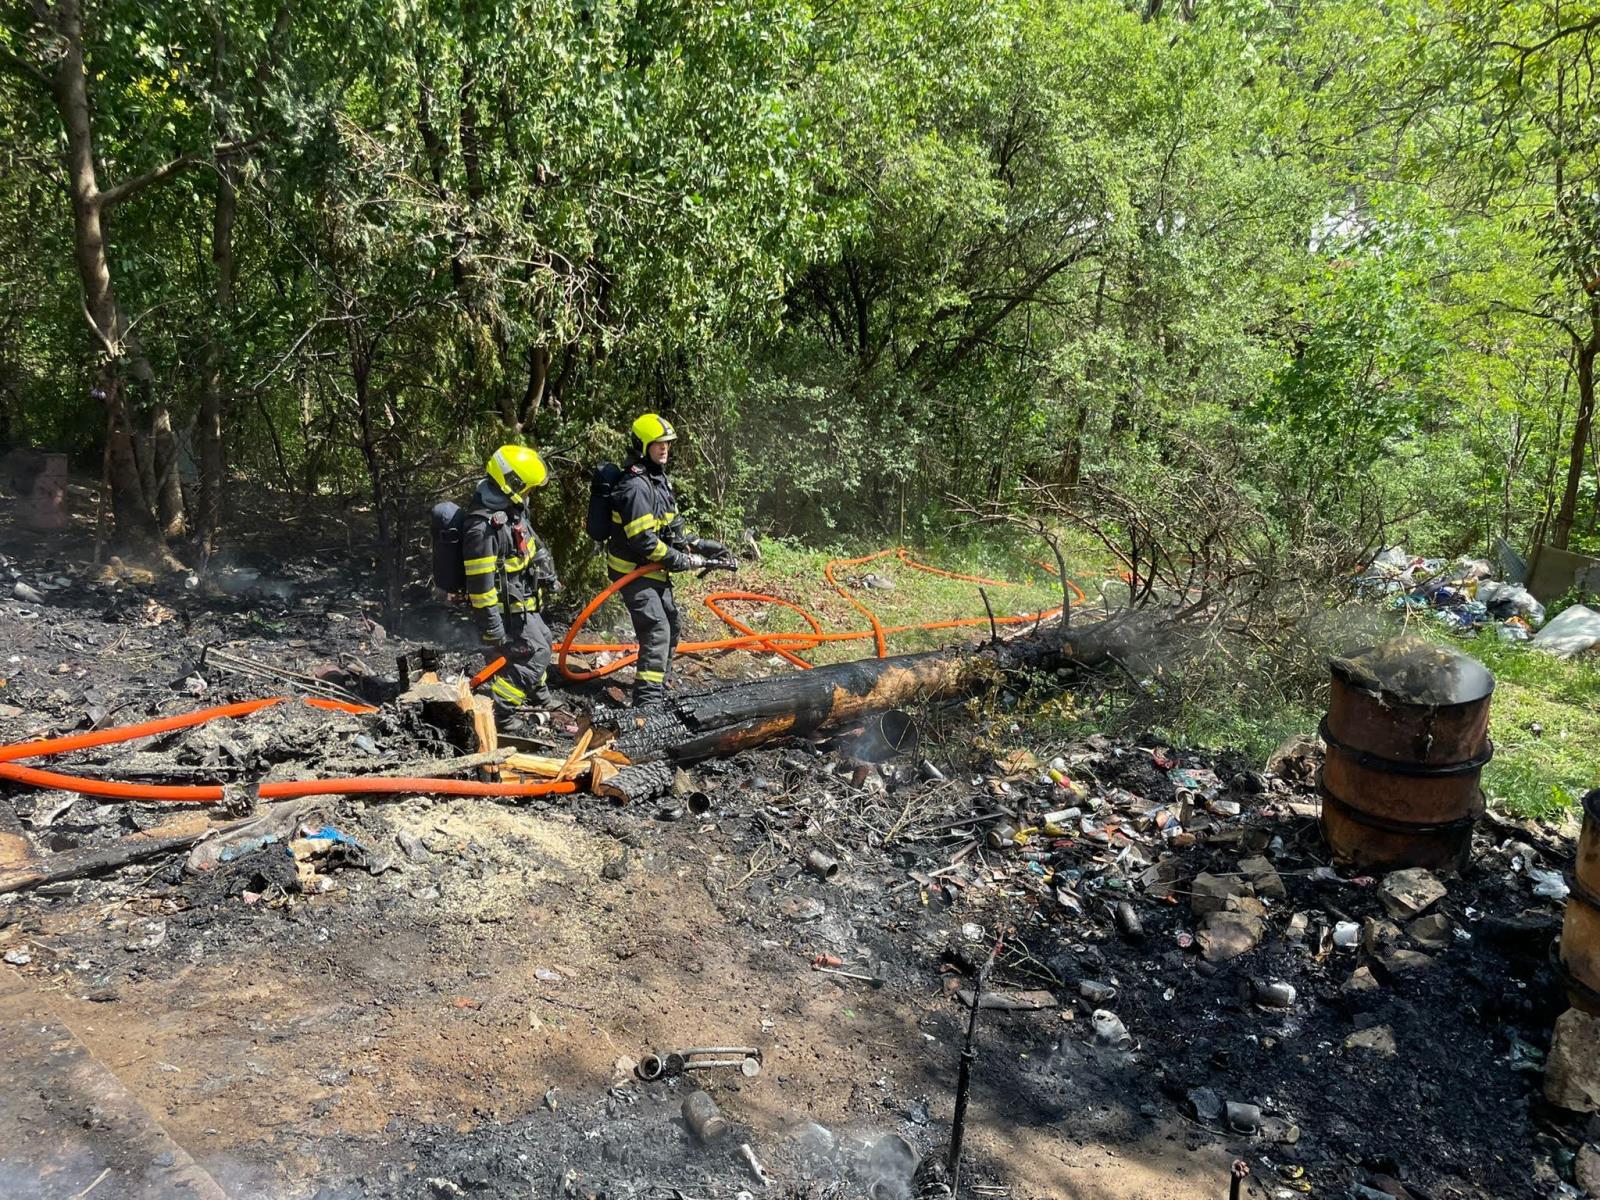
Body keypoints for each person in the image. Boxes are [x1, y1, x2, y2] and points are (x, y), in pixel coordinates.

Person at [606, 413, 734, 705]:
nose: (664, 449)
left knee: (672, 625)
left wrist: (702, 546)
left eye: (667, 444)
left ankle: (658, 685)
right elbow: (643, 540)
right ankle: (647, 703)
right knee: (657, 629)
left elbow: (672, 528)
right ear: (643, 445)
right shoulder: (636, 486)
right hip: (633, 571)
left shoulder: (658, 480)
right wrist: (679, 560)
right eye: (658, 444)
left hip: (652, 568)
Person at [463, 444, 560, 716]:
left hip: (523, 604)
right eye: (527, 488)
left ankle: (539, 695)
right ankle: (500, 710)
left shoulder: (512, 510)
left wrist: (549, 574)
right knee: (537, 652)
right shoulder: (481, 528)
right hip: (505, 612)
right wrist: (493, 629)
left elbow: (531, 545)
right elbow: (480, 589)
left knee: (544, 639)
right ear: (511, 483)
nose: (529, 495)